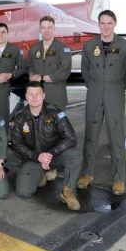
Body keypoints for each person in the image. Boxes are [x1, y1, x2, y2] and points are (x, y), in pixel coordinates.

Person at [77, 10, 126, 196]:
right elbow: (85, 71)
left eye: (109, 23)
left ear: (115, 24)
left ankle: (119, 179)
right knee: (90, 136)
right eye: (102, 23)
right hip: (95, 92)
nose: (105, 27)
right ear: (98, 25)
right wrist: (95, 85)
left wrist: (120, 87)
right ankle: (87, 174)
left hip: (115, 93)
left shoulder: (125, 46)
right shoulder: (90, 46)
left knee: (116, 137)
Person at [11, 82, 82, 210]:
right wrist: (37, 156)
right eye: (30, 94)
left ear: (44, 95)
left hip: (54, 156)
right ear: (26, 96)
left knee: (75, 156)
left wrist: (50, 153)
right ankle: (41, 173)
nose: (34, 97)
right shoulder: (19, 117)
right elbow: (16, 144)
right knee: (23, 192)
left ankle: (67, 191)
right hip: (33, 158)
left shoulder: (55, 112)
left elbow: (71, 138)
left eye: (37, 93)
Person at [28, 16, 72, 110]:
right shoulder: (34, 49)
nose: (46, 31)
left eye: (49, 27)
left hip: (56, 96)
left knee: (58, 123)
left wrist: (46, 78)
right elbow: (30, 66)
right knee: (38, 123)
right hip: (37, 96)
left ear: (54, 29)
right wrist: (31, 75)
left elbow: (65, 71)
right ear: (40, 29)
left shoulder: (63, 49)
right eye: (43, 28)